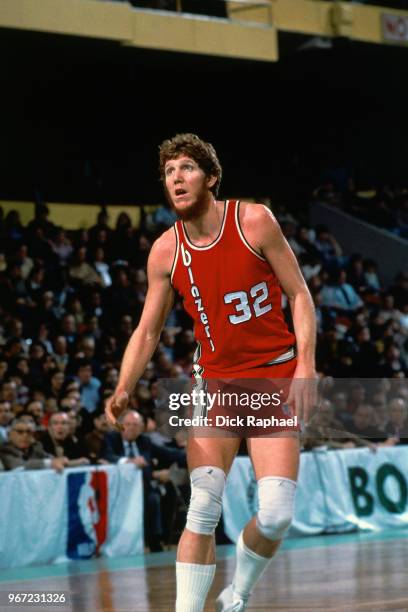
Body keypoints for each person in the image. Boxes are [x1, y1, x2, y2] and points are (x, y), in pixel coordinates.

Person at [105, 133, 317, 611]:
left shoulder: (254, 220)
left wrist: (307, 363)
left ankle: (237, 594)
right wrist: (122, 388)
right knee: (201, 508)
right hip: (217, 385)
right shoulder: (165, 250)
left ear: (211, 178)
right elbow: (146, 332)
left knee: (278, 516)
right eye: (168, 172)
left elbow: (299, 294)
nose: (176, 178)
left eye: (186, 168)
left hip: (273, 381)